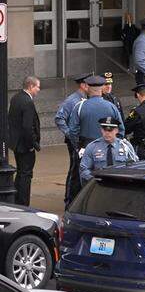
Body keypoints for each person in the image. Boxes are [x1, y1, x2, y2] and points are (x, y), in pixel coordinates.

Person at [65, 76, 125, 190]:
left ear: (88, 88)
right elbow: (121, 130)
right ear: (102, 89)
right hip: (107, 148)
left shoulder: (80, 106)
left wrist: (77, 146)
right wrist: (113, 144)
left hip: (85, 147)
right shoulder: (111, 106)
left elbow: (72, 131)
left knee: (80, 181)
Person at [8, 76, 41, 206]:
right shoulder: (27, 102)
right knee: (26, 175)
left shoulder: (16, 98)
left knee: (21, 173)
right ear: (31, 86)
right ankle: (23, 203)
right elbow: (28, 126)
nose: (39, 89)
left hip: (17, 144)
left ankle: (16, 200)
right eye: (38, 86)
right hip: (25, 145)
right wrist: (33, 144)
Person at [56, 74, 88, 204]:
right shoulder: (72, 100)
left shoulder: (87, 98)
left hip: (83, 139)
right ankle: (69, 198)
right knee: (74, 169)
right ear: (83, 85)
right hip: (74, 141)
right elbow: (59, 118)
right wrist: (70, 133)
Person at [78, 118, 138, 185]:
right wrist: (94, 180)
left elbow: (135, 167)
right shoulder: (92, 147)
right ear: (101, 130)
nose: (107, 133)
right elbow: (84, 169)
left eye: (110, 130)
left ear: (116, 130)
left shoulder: (125, 146)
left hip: (121, 185)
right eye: (105, 130)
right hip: (100, 185)